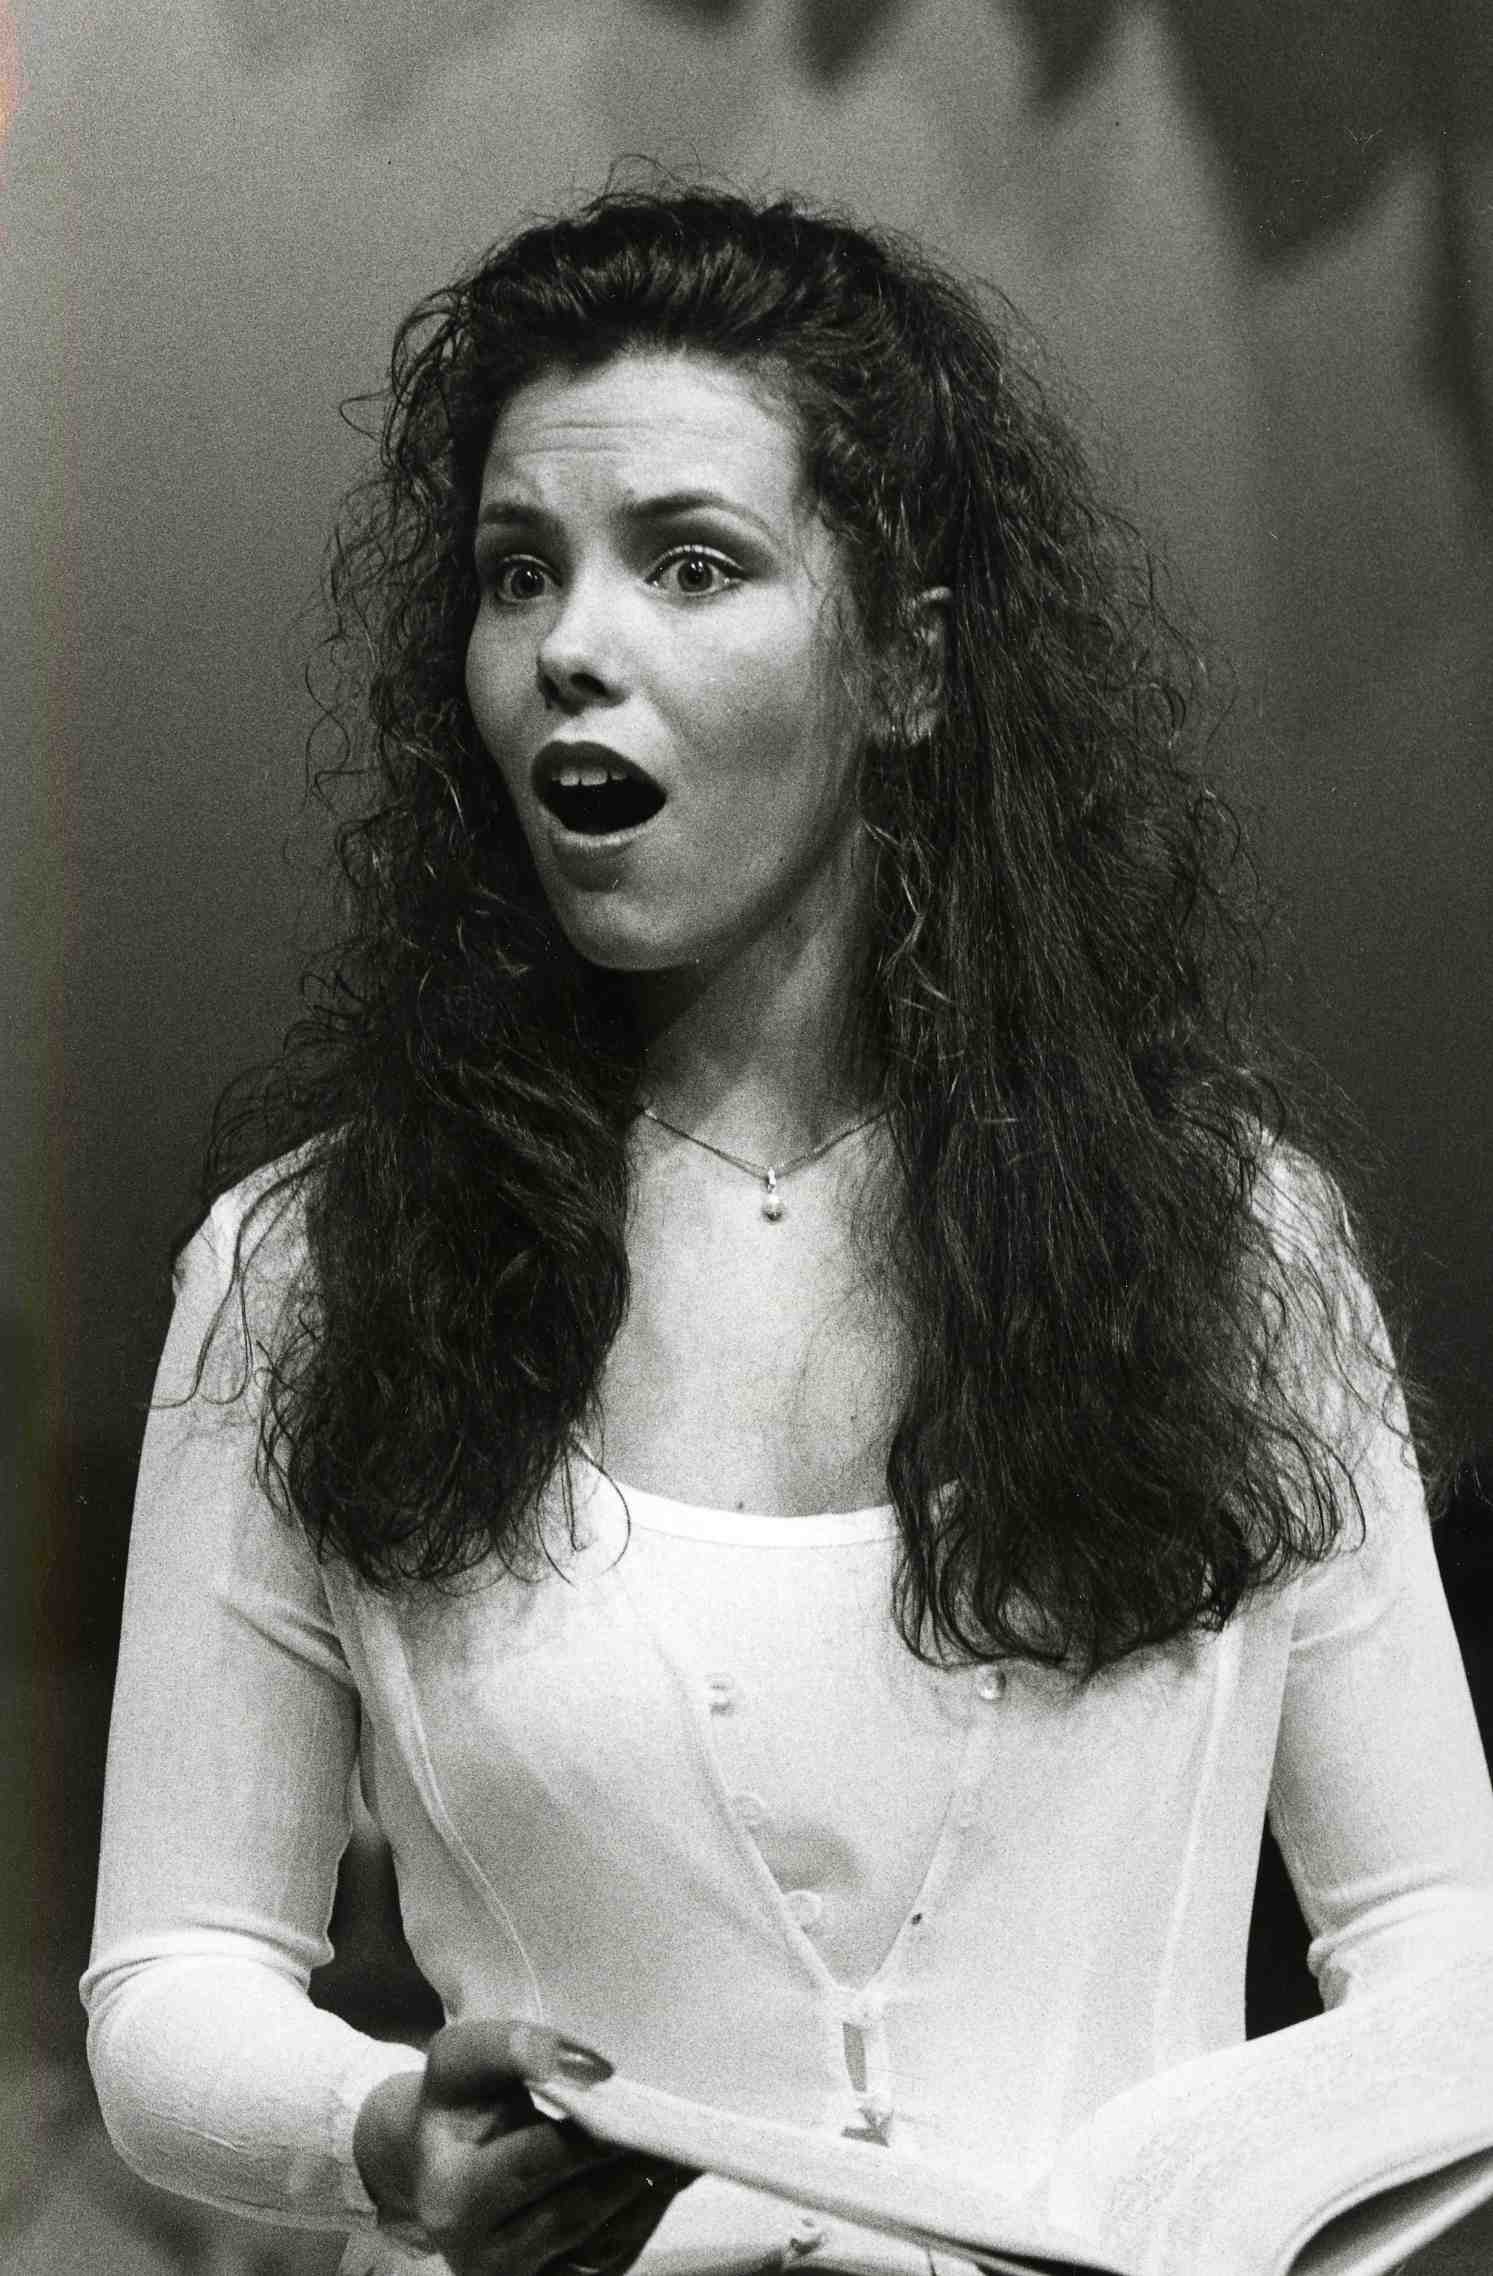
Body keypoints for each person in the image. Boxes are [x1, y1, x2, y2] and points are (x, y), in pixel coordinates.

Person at [84, 182, 1493, 2276]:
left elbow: (1451, 1938)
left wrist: (1220, 2194)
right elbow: (173, 1975)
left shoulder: (1228, 1245)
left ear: (907, 666)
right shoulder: (313, 1265)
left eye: (689, 563)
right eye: (517, 572)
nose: (572, 645)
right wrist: (377, 2132)